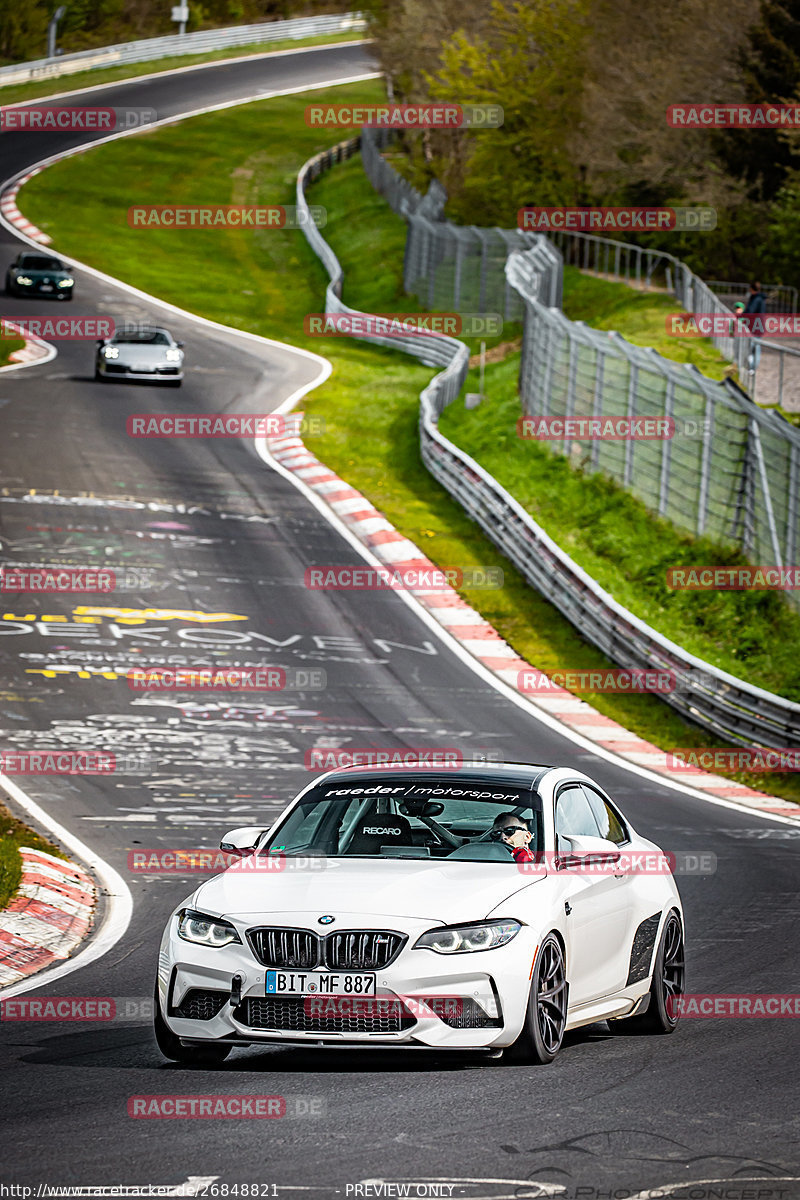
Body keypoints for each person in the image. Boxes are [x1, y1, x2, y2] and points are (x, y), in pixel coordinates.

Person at [743, 282, 767, 371]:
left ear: (752, 289)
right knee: (755, 346)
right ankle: (752, 366)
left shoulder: (756, 299)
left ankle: (752, 367)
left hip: (755, 326)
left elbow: (750, 311)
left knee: (753, 346)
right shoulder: (760, 299)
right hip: (758, 325)